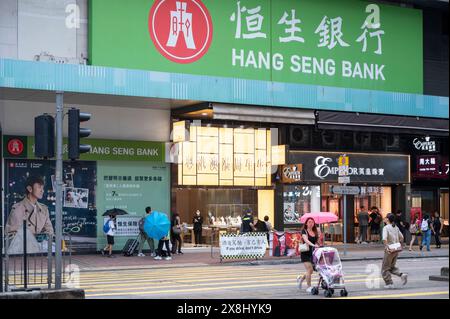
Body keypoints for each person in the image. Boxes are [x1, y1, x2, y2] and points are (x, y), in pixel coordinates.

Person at [381, 213, 408, 289]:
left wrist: (387, 247)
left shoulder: (386, 228)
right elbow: (402, 237)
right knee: (391, 267)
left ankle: (389, 283)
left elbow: (384, 239)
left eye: (386, 218)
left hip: (389, 250)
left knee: (385, 268)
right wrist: (397, 243)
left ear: (388, 219)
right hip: (396, 249)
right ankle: (402, 275)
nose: (385, 219)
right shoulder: (396, 227)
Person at [297, 217, 322, 293]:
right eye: (309, 222)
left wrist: (319, 236)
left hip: (313, 253)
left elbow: (318, 242)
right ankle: (308, 287)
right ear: (306, 223)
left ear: (314, 223)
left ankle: (301, 278)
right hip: (305, 253)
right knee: (309, 269)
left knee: (310, 271)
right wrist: (313, 245)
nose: (311, 223)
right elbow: (306, 240)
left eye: (312, 222)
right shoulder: (304, 231)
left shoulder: (315, 232)